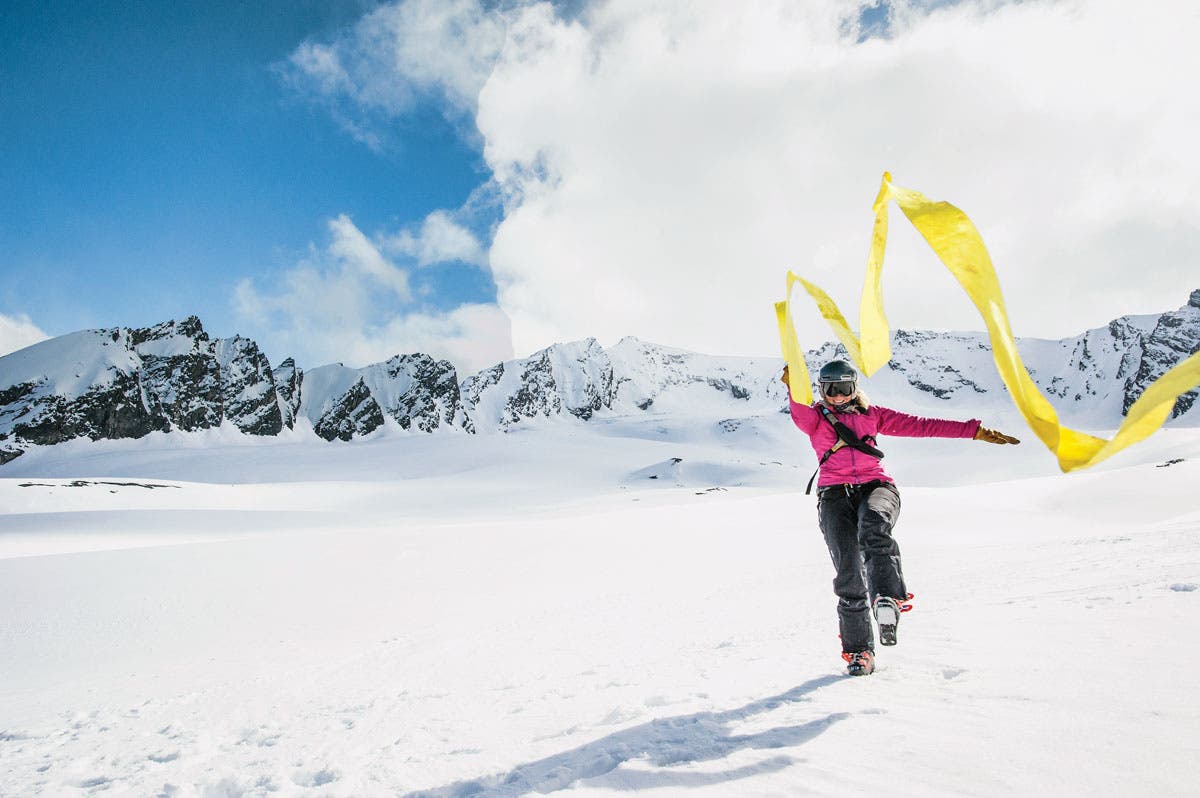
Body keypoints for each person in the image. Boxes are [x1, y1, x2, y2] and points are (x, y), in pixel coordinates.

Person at [782, 359, 1020, 676]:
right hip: (834, 495)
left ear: (854, 388)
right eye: (830, 389)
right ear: (822, 391)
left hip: (876, 486)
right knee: (849, 572)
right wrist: (792, 385)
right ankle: (860, 653)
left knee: (874, 526)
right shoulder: (814, 420)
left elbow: (923, 426)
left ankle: (887, 599)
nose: (837, 396)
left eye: (843, 389)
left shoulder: (872, 415)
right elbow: (798, 408)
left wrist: (974, 431)